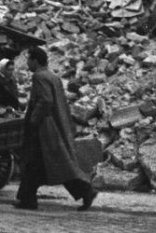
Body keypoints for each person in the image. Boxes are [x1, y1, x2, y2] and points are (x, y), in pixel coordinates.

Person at [15, 46, 97, 212]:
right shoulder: (52, 76)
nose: (27, 63)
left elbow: (45, 100)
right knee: (51, 164)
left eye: (29, 60)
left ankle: (28, 199)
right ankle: (27, 198)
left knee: (35, 162)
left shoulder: (39, 76)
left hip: (44, 129)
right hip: (54, 126)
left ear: (35, 61)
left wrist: (33, 120)